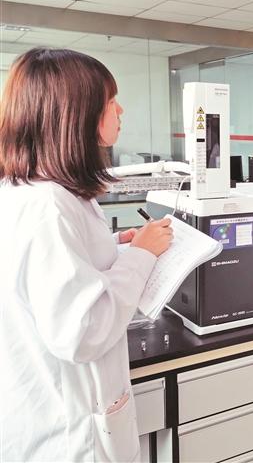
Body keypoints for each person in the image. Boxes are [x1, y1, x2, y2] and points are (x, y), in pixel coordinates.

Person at [0, 48, 173, 461]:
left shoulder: (32, 192)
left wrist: (114, 246)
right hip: (68, 436)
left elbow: (50, 273)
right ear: (76, 114)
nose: (120, 110)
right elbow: (82, 331)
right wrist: (141, 255)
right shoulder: (48, 205)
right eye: (110, 101)